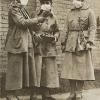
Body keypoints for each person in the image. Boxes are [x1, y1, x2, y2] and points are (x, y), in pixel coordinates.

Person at [5, 0, 45, 99]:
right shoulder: (14, 9)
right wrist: (38, 19)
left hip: (25, 42)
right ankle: (10, 94)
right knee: (14, 68)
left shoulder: (23, 10)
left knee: (22, 69)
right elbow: (21, 23)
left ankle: (16, 93)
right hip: (16, 42)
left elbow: (29, 25)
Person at [61, 0, 96, 100]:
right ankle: (72, 93)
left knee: (81, 69)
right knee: (70, 69)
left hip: (82, 43)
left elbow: (93, 28)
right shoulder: (70, 12)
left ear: (82, 0)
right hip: (70, 43)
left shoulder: (89, 11)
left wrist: (90, 41)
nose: (74, 1)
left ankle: (79, 92)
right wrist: (63, 42)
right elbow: (65, 28)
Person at [34, 0, 60, 100]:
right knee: (36, 69)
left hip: (49, 47)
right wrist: (35, 36)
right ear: (40, 4)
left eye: (48, 2)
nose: (46, 4)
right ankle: (34, 93)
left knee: (48, 70)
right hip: (38, 45)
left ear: (51, 4)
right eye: (44, 2)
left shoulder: (53, 17)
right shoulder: (34, 14)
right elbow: (30, 29)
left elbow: (57, 31)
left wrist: (55, 37)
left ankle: (46, 93)